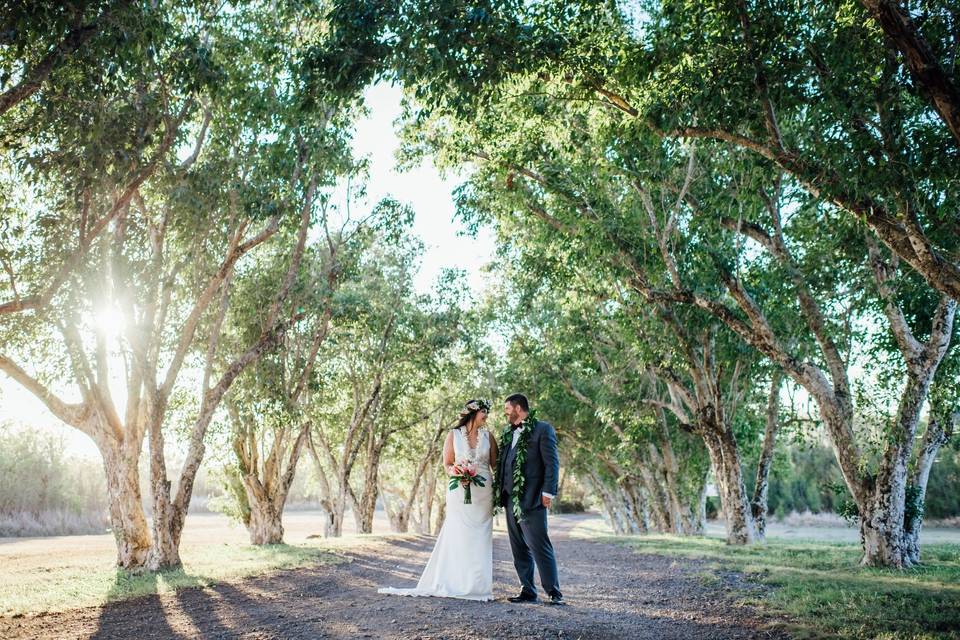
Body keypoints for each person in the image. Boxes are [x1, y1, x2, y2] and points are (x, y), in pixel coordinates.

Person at [378, 398, 498, 600]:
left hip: (484, 493)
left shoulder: (489, 437)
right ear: (472, 413)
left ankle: (479, 586)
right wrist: (459, 474)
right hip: (459, 491)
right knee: (459, 534)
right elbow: (448, 463)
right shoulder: (453, 435)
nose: (487, 415)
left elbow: (495, 465)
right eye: (484, 411)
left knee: (480, 536)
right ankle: (456, 582)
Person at [496, 393, 564, 605]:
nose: (505, 413)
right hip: (509, 499)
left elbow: (552, 463)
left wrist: (548, 492)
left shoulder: (543, 429)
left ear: (517, 408)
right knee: (518, 547)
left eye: (507, 409)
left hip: (533, 498)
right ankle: (527, 590)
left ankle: (554, 592)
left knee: (539, 545)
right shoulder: (508, 433)